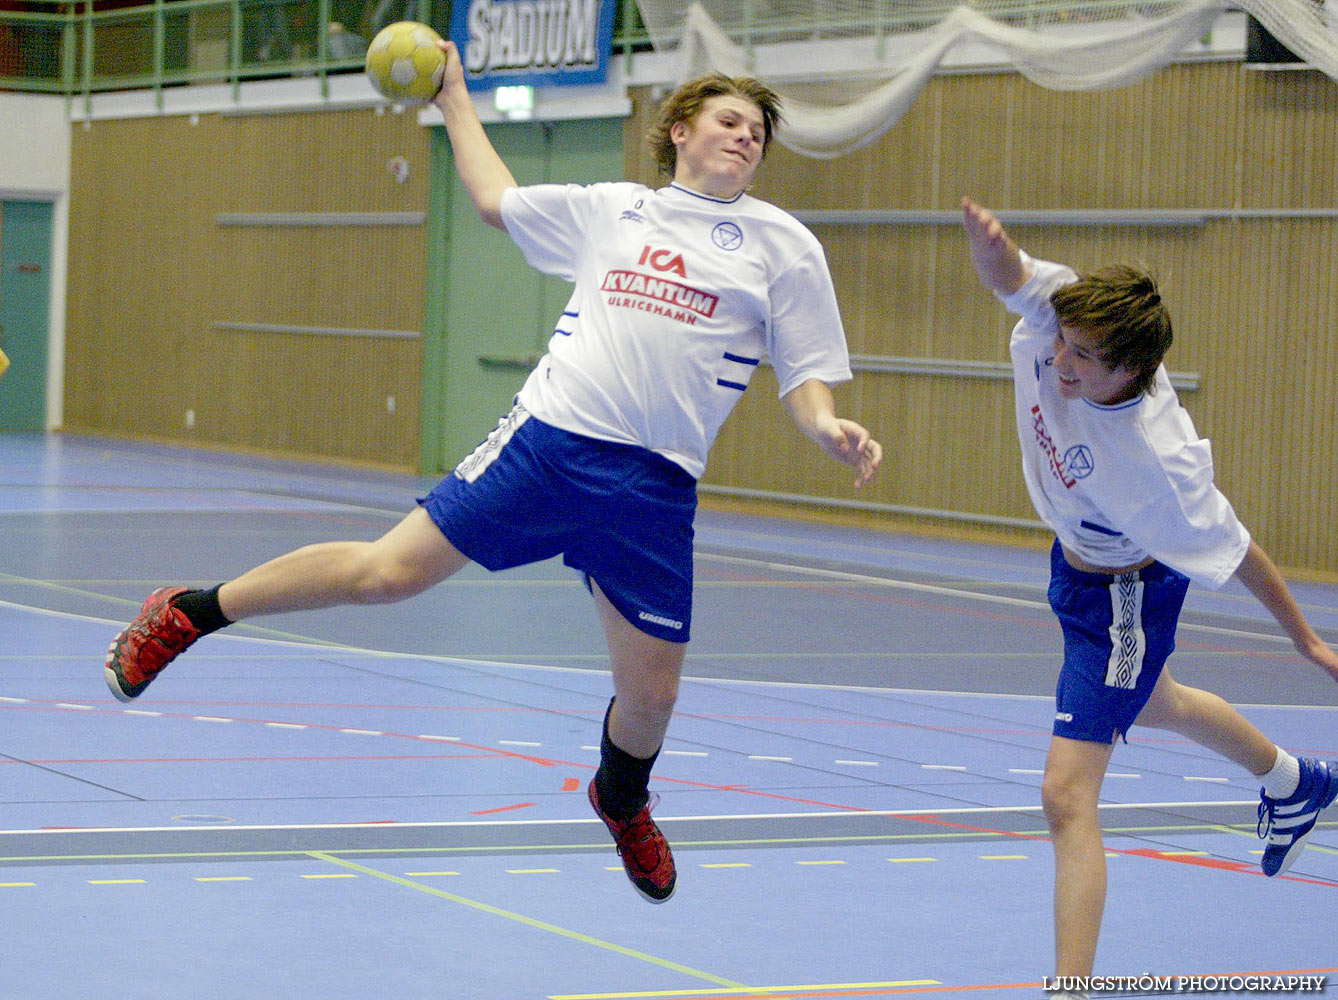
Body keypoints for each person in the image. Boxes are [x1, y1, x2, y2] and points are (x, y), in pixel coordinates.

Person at [102, 49, 883, 906]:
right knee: (385, 576)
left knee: (651, 698)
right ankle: (188, 612)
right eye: (729, 120)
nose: (746, 136)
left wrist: (826, 427)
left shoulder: (784, 246)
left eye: (758, 131)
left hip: (656, 489)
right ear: (680, 132)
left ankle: (620, 799)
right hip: (552, 447)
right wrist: (455, 98)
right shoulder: (614, 210)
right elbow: (491, 198)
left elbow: (807, 371)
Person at [961, 197, 1338, 995]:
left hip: (1124, 598)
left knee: (1065, 794)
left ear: (1132, 370)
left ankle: (1072, 988)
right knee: (1155, 701)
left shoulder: (1160, 466)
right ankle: (1293, 782)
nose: (1062, 364)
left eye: (1085, 359)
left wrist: (1307, 641)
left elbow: (1239, 553)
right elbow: (1015, 280)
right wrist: (990, 246)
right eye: (1063, 343)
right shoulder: (1066, 315)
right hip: (1073, 568)